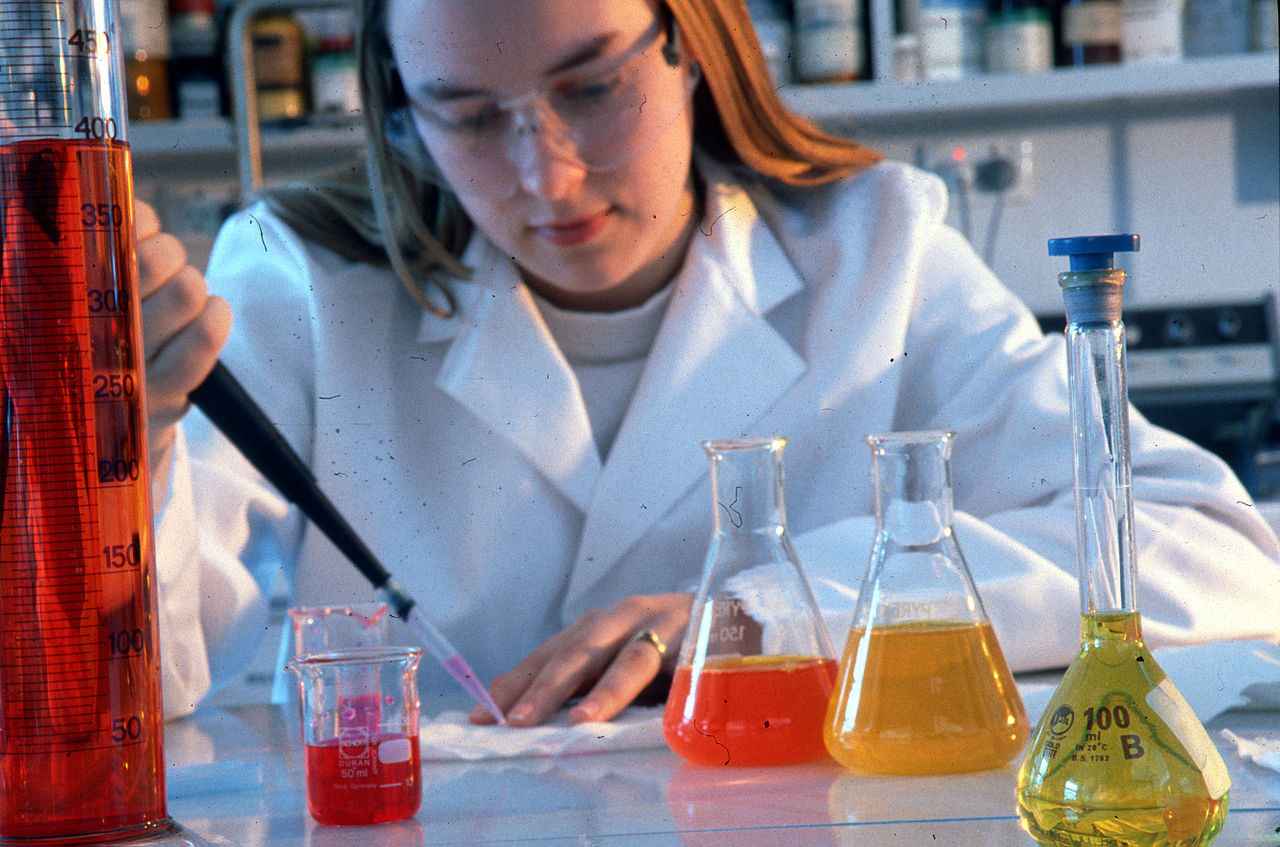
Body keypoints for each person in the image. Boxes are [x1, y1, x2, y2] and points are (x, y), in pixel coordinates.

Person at [142, 0, 1280, 724]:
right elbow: (150, 680)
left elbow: (1215, 550)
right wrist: (117, 435)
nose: (549, 175)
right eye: (472, 118)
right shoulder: (299, 284)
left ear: (691, 48)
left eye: (591, 89)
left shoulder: (872, 250)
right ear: (400, 121)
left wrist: (759, 613)